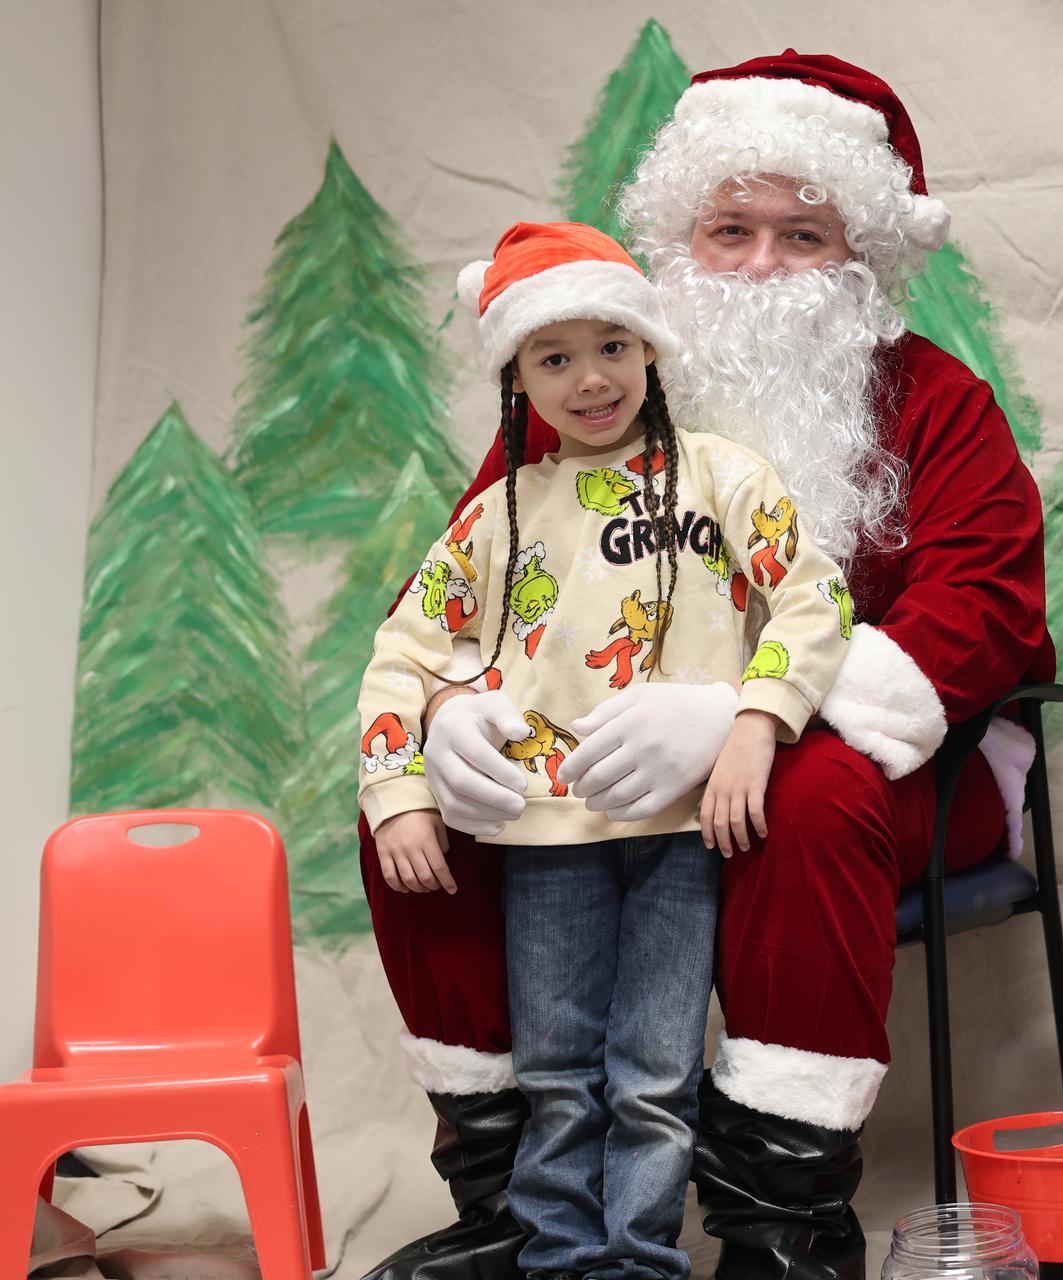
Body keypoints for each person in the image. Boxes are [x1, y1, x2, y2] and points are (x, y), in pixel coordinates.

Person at [358, 53, 1053, 1280]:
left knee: (807, 800)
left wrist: (753, 713)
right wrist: (457, 706)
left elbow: (985, 605)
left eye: (805, 232)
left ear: (865, 255)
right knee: (418, 804)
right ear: (679, 238)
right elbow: (465, 585)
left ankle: (778, 1225)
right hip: (607, 758)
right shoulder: (591, 391)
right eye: (730, 229)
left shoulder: (940, 403)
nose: (764, 265)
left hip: (881, 774)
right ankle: (520, 1206)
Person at [357, 219, 848, 1280]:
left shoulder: (722, 478)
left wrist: (754, 721)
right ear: (518, 375)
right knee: (559, 1070)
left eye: (611, 346)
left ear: (651, 348)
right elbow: (404, 647)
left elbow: (816, 599)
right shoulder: (499, 514)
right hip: (548, 837)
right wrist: (398, 788)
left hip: (677, 836)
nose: (590, 379)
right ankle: (555, 1255)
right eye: (554, 356)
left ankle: (636, 1259)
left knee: (656, 1070)